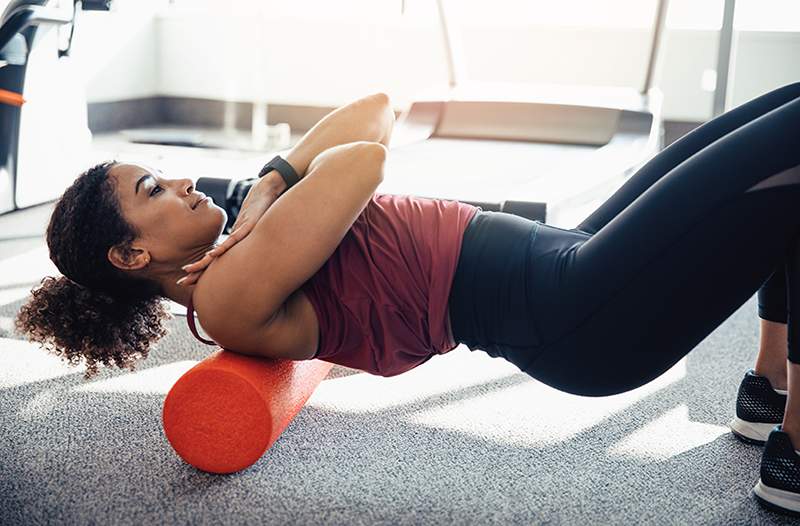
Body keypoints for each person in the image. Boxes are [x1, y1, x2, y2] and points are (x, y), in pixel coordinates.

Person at [14, 86, 800, 514]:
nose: (182, 181)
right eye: (154, 189)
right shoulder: (226, 292)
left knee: (782, 116)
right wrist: (270, 188)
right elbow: (361, 159)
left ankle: (769, 390)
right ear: (132, 253)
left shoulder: (237, 238)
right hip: (578, 310)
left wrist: (268, 181)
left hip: (567, 257)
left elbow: (377, 103)